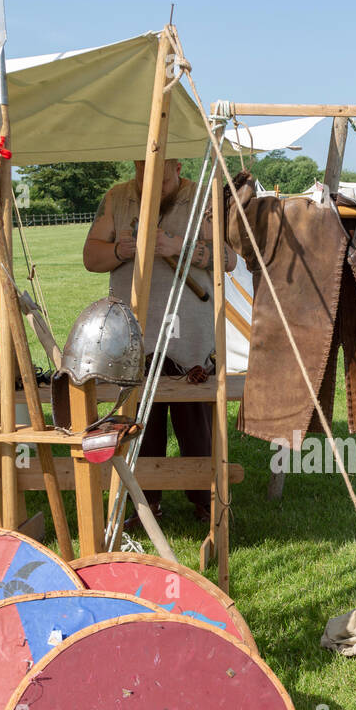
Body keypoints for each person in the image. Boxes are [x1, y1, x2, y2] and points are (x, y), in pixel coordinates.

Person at [83, 159, 236, 524]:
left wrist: (178, 246)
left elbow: (228, 259)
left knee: (195, 421)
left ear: (177, 166)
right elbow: (91, 257)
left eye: (161, 175)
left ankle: (206, 500)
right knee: (138, 421)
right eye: (142, 171)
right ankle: (144, 501)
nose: (151, 180)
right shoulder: (118, 198)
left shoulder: (201, 198)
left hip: (192, 338)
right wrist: (122, 251)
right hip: (135, 334)